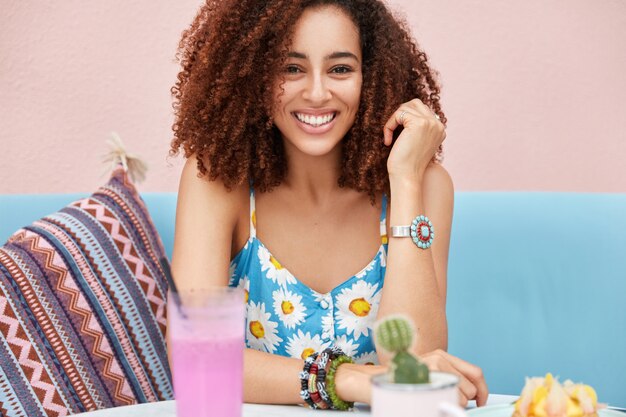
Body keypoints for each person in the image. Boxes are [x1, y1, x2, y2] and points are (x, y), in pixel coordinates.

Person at [169, 0, 488, 409]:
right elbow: (197, 362)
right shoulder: (217, 179)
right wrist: (348, 380)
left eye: (340, 69)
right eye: (290, 68)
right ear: (253, 75)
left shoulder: (425, 185)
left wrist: (406, 179)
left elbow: (415, 365)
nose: (317, 93)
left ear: (370, 77)